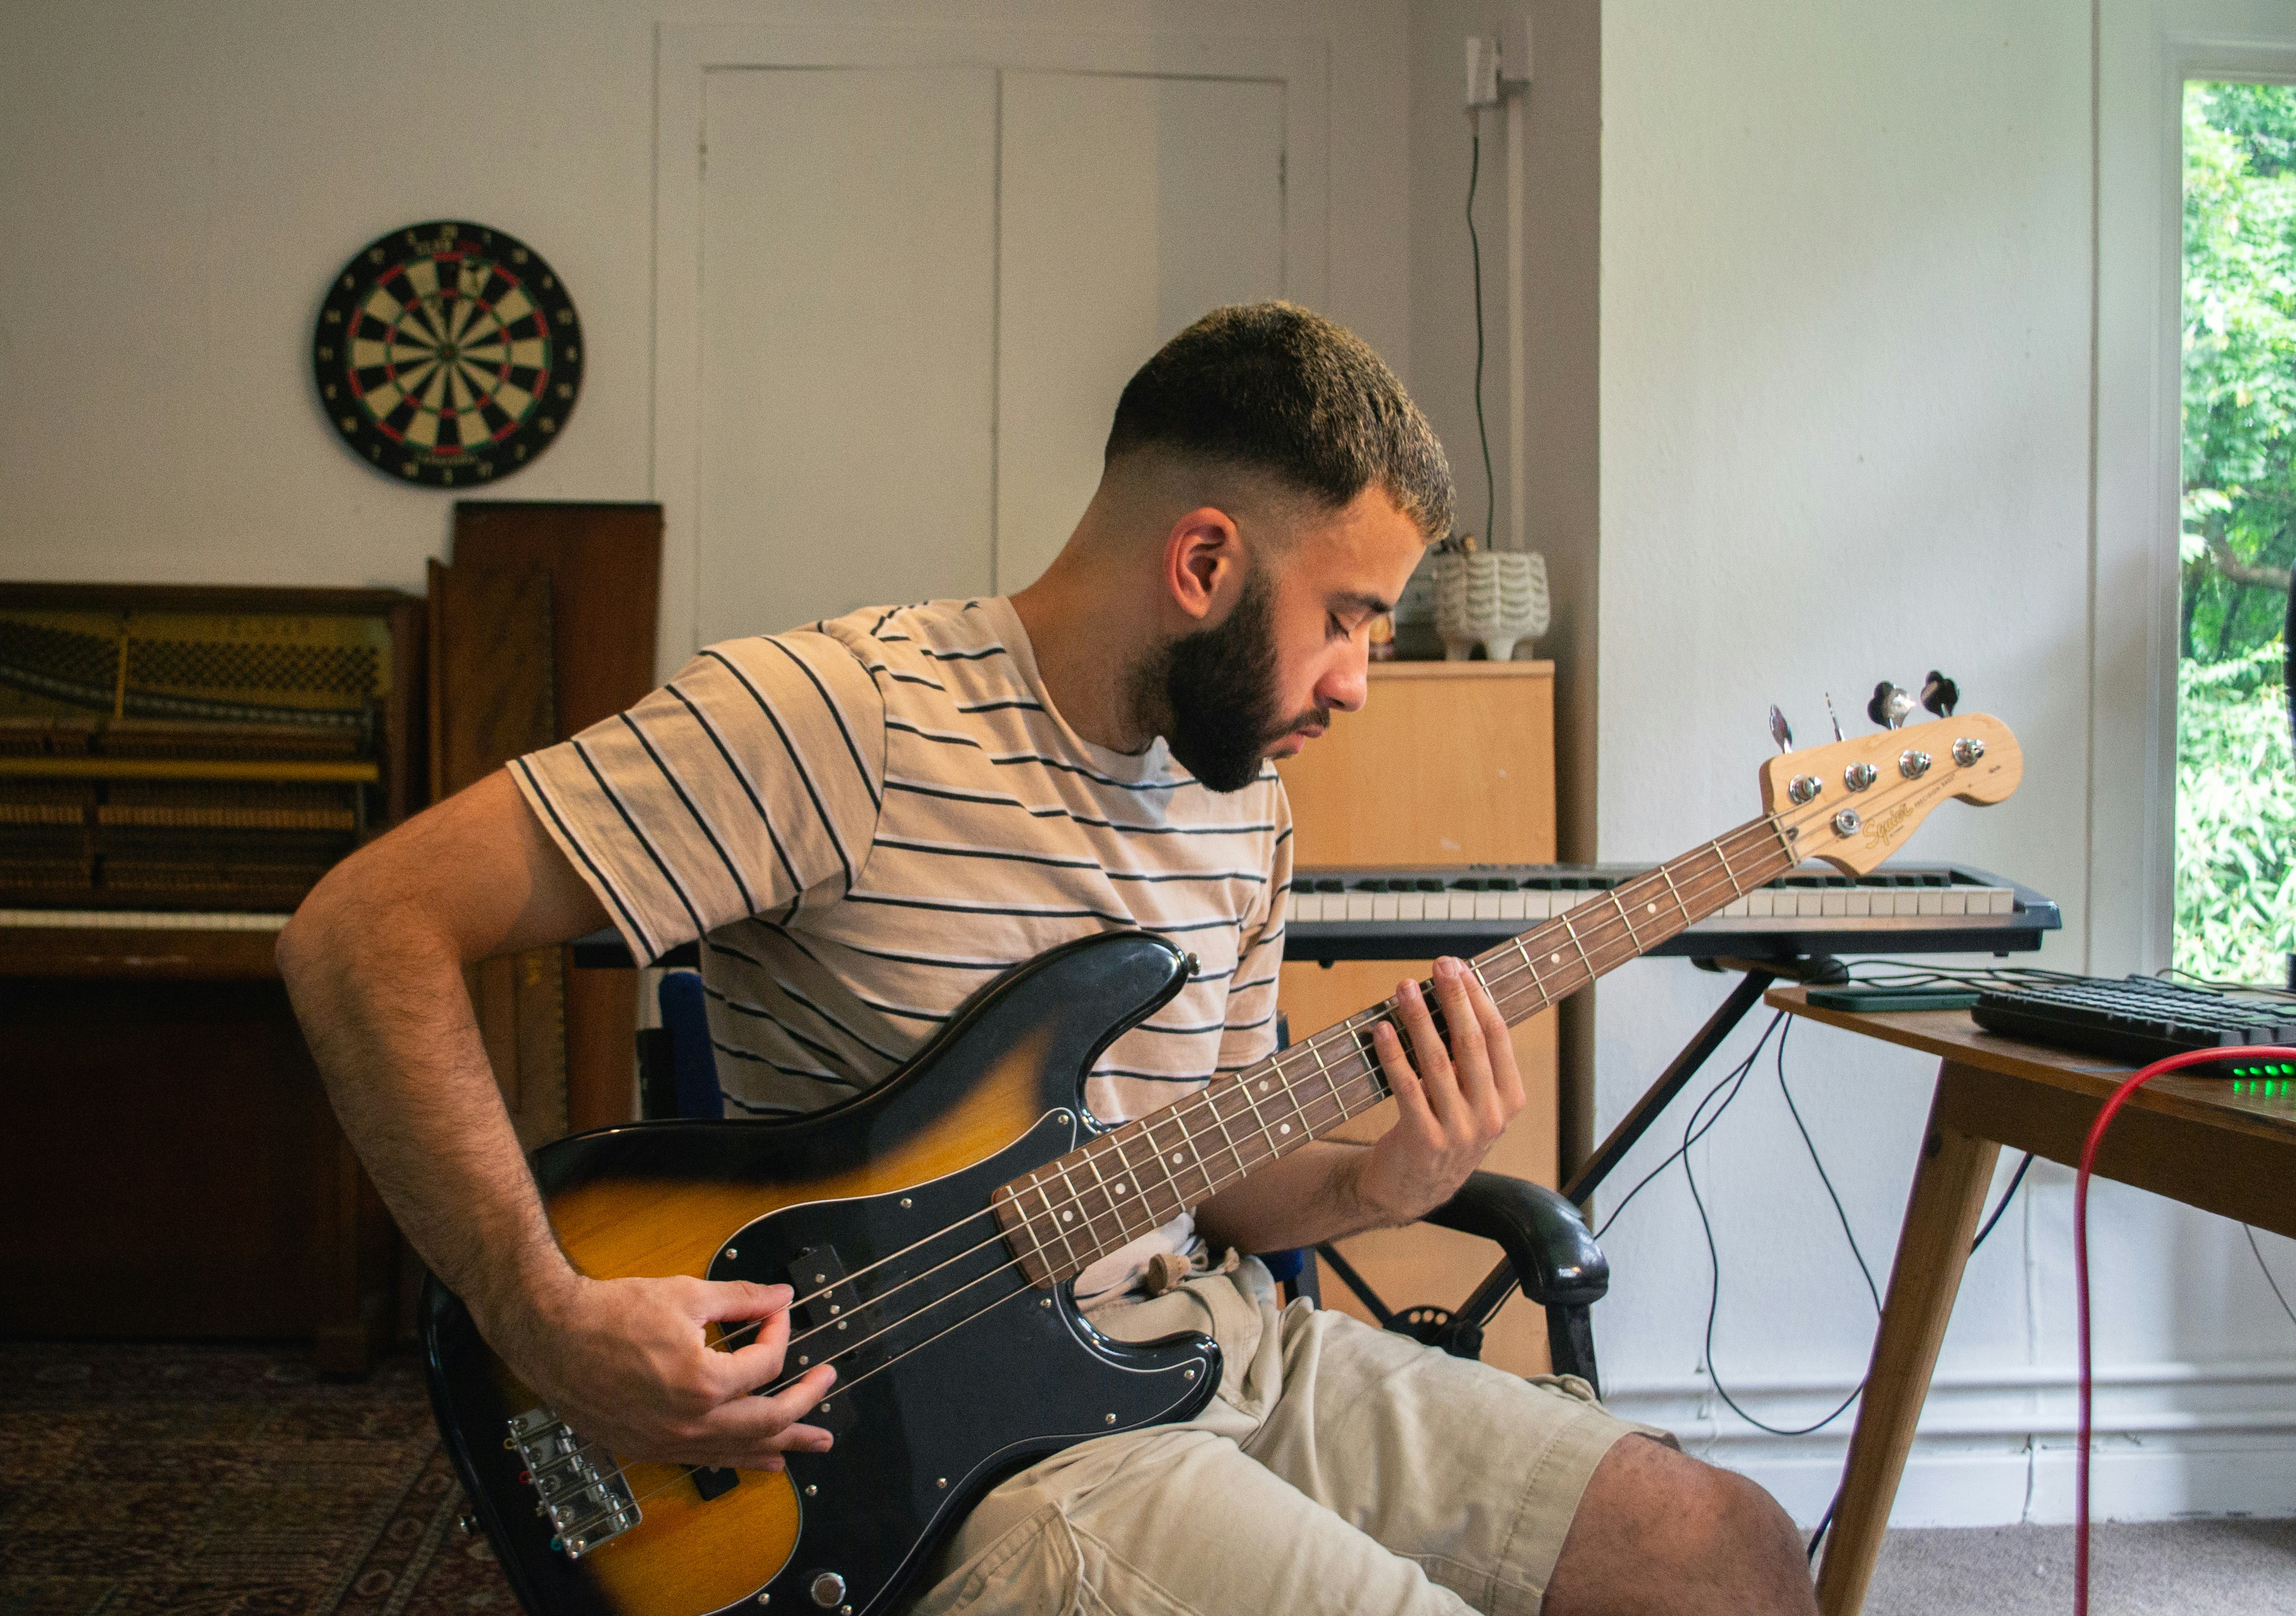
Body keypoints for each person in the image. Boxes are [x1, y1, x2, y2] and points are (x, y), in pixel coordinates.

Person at [278, 302, 1818, 1615]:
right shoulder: (842, 717)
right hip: (944, 1444)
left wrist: (1377, 1182)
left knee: (1726, 1547)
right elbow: (365, 928)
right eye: (1347, 619)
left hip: (1204, 1341)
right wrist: (536, 1308)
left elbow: (1200, 1172)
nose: (1360, 681)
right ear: (1204, 560)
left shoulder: (1243, 800)